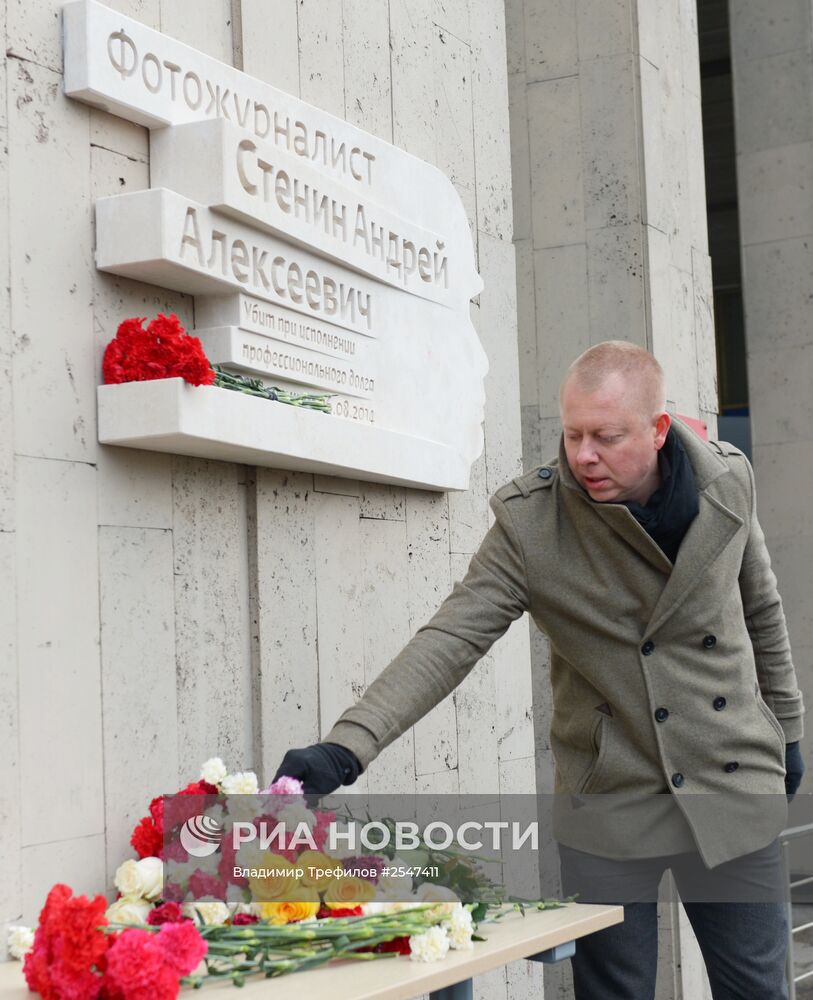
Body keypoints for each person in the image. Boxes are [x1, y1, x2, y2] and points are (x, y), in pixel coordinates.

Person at [274, 341, 806, 999]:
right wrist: (345, 748)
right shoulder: (532, 524)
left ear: (656, 429)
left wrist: (786, 731)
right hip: (611, 796)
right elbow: (449, 639)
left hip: (731, 781)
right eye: (572, 432)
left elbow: (761, 608)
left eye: (606, 437)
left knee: (760, 992)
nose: (583, 454)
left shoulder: (727, 481)